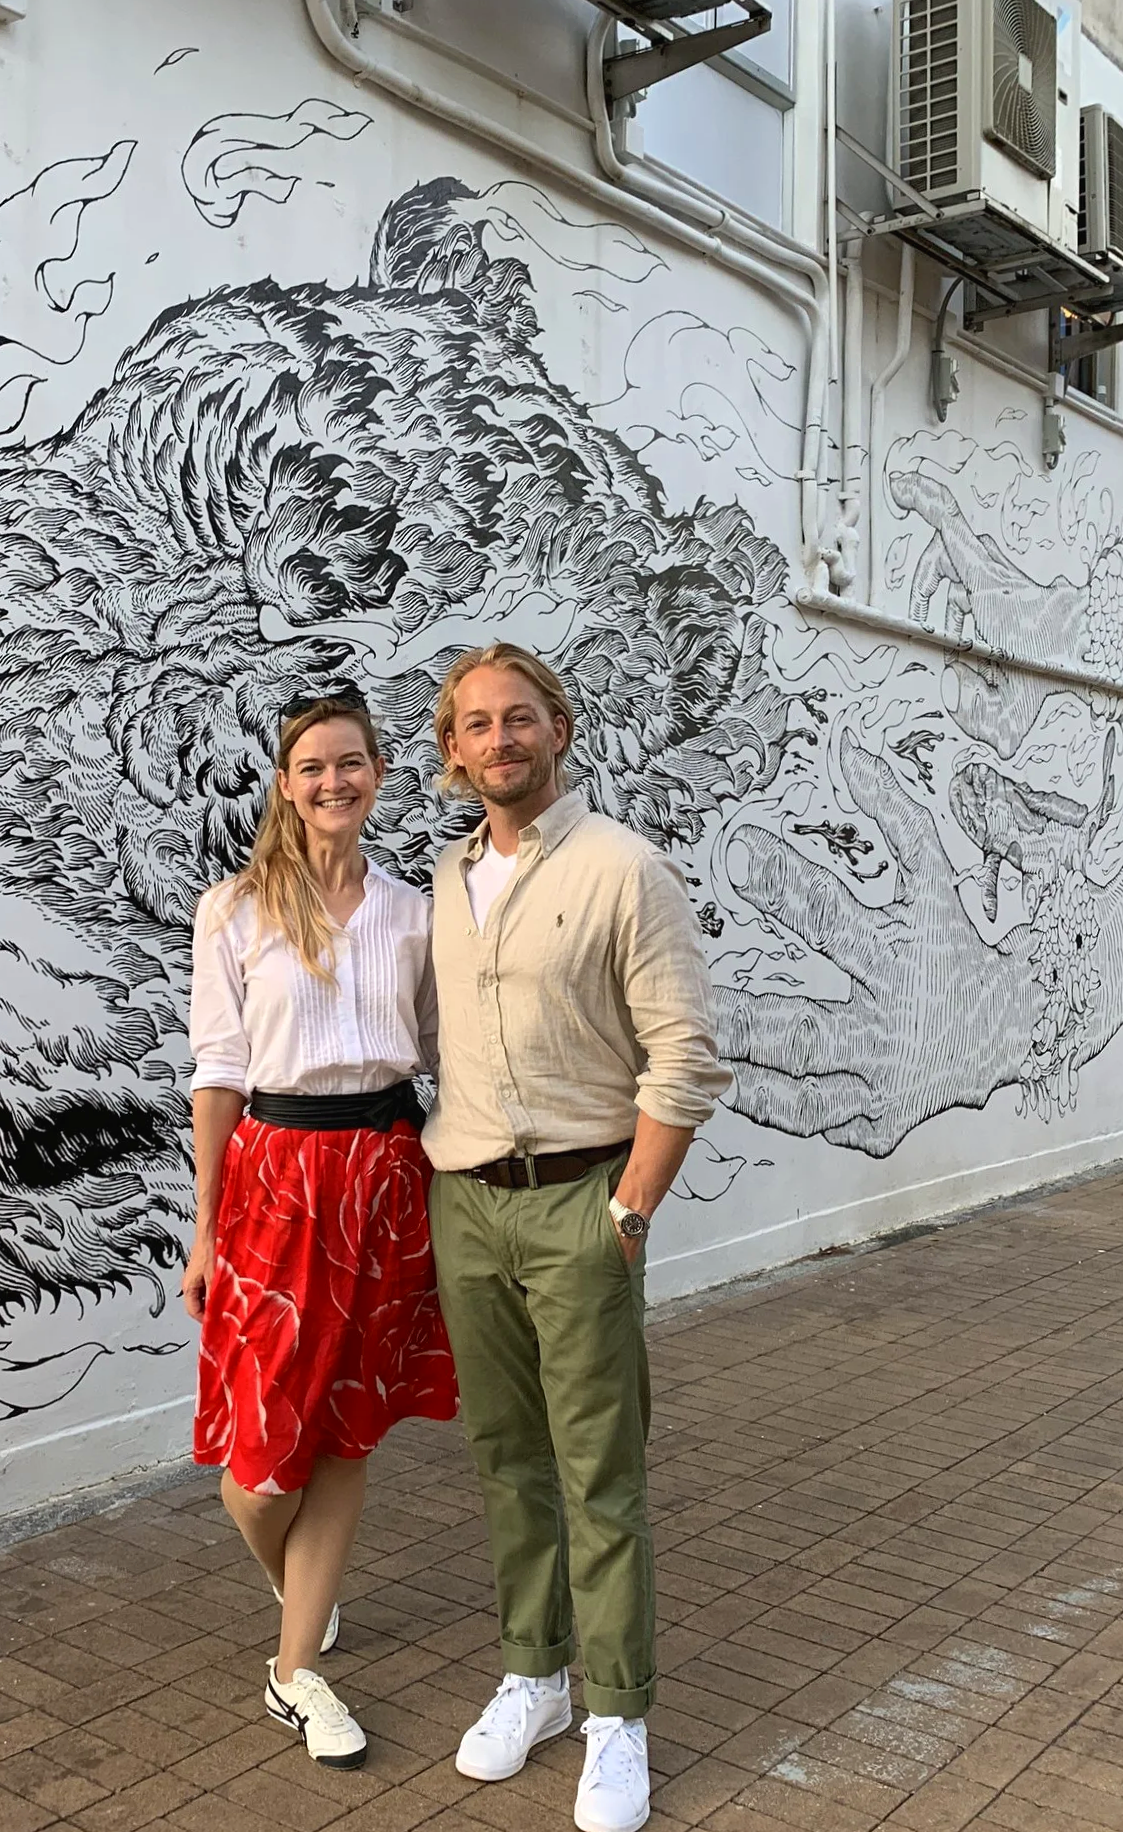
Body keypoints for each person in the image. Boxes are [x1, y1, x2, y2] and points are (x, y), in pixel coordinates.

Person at [422, 643, 728, 1832]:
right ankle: (535, 1673)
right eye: (476, 723)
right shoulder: (446, 878)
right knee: (506, 1457)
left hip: (581, 1201)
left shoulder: (622, 868)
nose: (499, 738)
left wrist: (629, 1210)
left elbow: (683, 1052)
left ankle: (616, 1710)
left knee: (598, 1469)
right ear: (452, 751)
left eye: (519, 717)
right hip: (467, 1199)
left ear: (558, 727)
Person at [184, 687, 460, 1770]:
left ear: (377, 773)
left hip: (385, 1173)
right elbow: (218, 1075)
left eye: (350, 762)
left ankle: (294, 1670)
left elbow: (442, 1052)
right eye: (312, 766)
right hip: (274, 1181)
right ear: (285, 785)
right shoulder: (234, 909)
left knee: (345, 1425)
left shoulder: (412, 912)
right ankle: (300, 1583)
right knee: (260, 1470)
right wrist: (205, 1229)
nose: (333, 781)